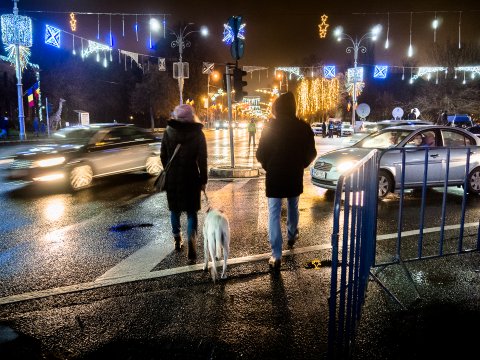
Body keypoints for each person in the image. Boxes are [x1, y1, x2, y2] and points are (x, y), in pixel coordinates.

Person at [256, 92, 317, 271]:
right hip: (294, 173)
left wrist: (269, 165)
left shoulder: (270, 126)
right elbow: (311, 152)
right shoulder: (303, 127)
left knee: (274, 213)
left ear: (277, 108)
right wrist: (300, 164)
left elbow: (261, 153)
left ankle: (276, 255)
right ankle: (291, 235)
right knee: (293, 206)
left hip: (274, 175)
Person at [160, 104, 208, 263]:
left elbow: (163, 156)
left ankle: (177, 239)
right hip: (191, 177)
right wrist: (203, 180)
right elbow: (202, 159)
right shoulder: (198, 133)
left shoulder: (168, 132)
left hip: (173, 178)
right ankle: (192, 242)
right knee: (191, 212)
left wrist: (171, 168)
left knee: (174, 210)